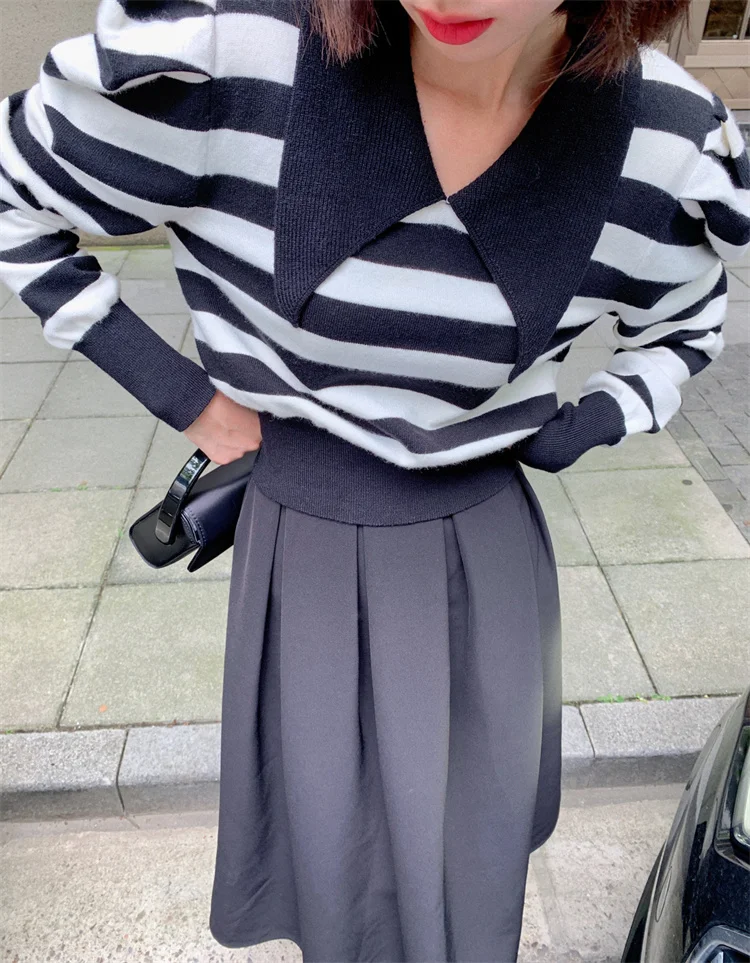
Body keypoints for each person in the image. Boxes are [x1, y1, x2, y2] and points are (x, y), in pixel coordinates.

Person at [1, 0, 748, 959]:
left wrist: (598, 416)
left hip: (482, 549)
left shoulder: (664, 139)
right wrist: (189, 400)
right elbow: (18, 196)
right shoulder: (240, 58)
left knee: (467, 860)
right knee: (336, 859)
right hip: (305, 538)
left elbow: (687, 322)